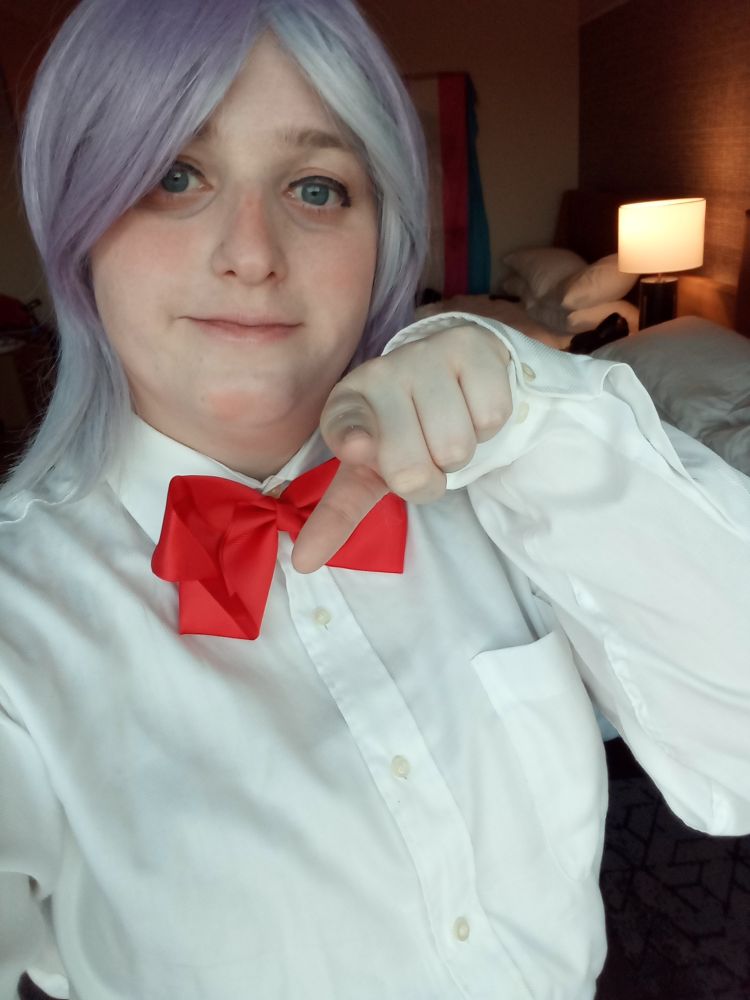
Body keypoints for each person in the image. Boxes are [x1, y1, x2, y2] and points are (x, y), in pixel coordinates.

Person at [0, 1, 748, 998]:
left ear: (384, 236)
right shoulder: (17, 619)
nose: (252, 253)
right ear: (79, 222)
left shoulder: (516, 488)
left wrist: (534, 408)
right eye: (173, 176)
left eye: (316, 187)